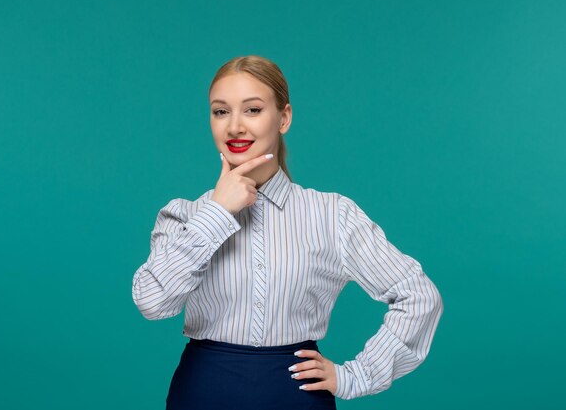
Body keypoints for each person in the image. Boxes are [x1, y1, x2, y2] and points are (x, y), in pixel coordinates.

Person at [131, 55, 443, 409]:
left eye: (252, 110)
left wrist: (357, 375)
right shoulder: (185, 215)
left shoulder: (332, 215)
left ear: (284, 117)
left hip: (295, 395)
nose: (234, 127)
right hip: (203, 392)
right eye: (221, 111)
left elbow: (418, 296)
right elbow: (152, 302)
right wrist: (218, 213)